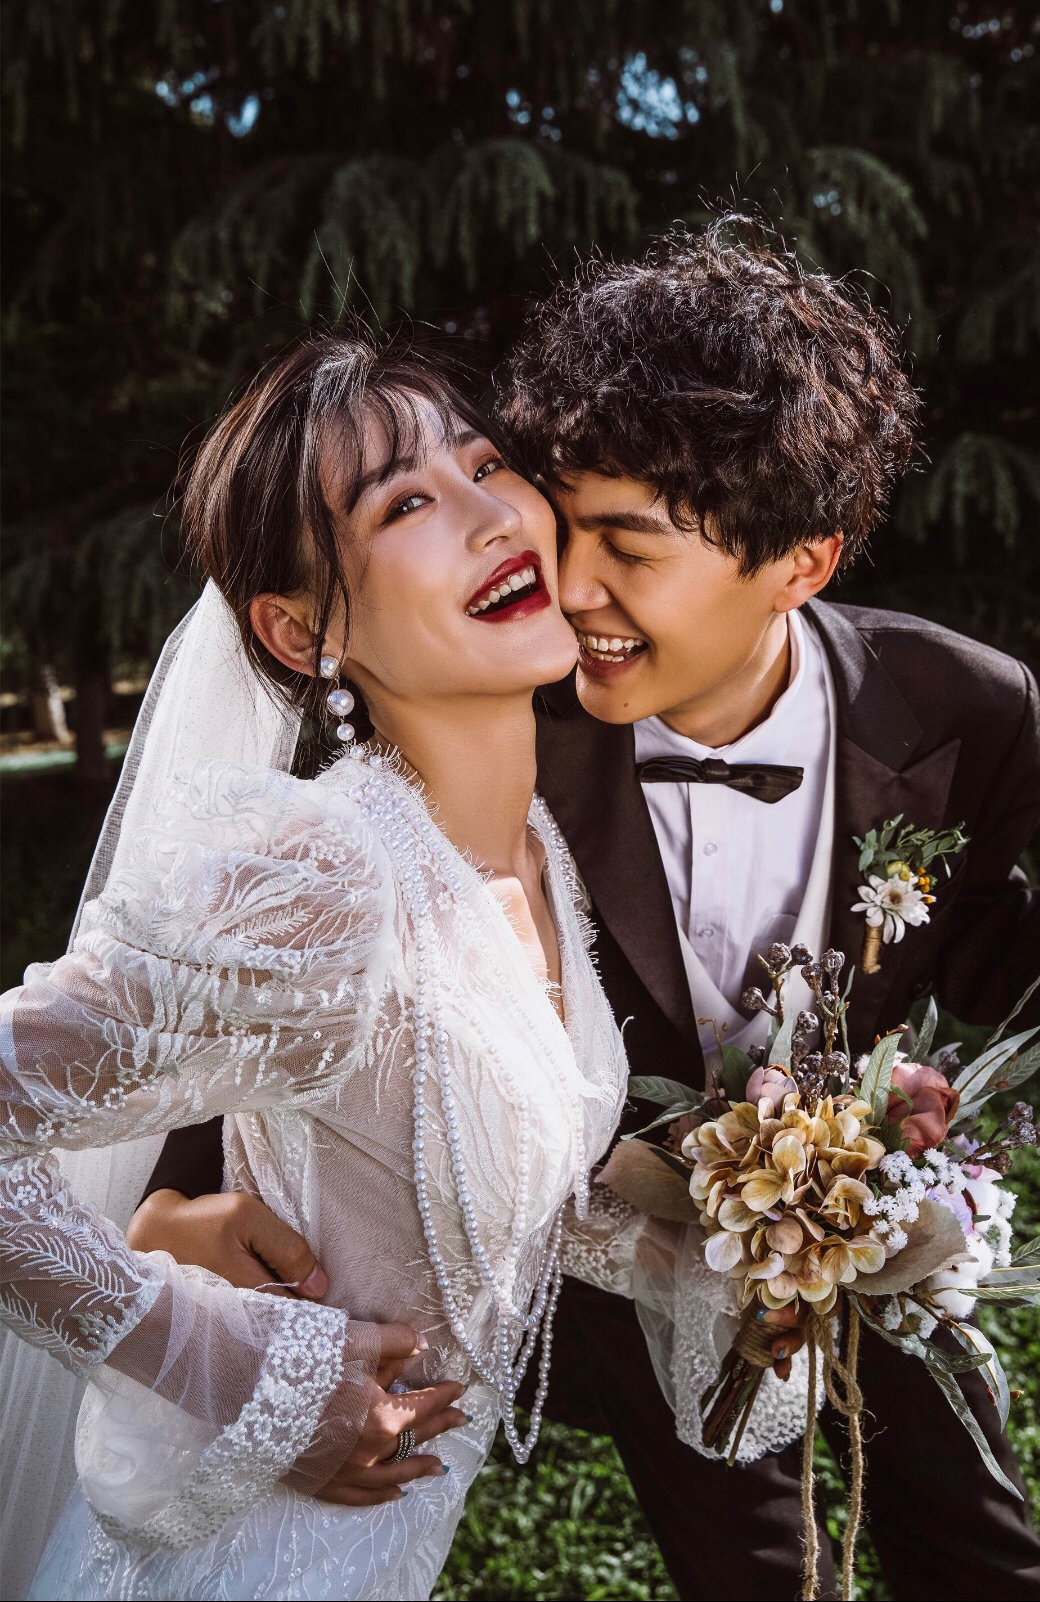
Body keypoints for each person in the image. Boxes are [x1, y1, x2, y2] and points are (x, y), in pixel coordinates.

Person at [123, 221, 1040, 1600]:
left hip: (881, 1224)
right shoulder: (492, 713)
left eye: (630, 548)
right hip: (640, 1274)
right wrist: (170, 1201)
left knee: (987, 1551)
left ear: (804, 561)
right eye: (567, 517)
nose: (570, 582)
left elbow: (988, 941)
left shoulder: (964, 703)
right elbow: (283, 978)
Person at [0, 337, 633, 1601]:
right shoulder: (322, 882)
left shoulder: (534, 853)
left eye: (485, 465)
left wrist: (769, 1237)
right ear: (303, 632)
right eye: (404, 504)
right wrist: (238, 1366)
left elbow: (482, 1188)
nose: (492, 516)